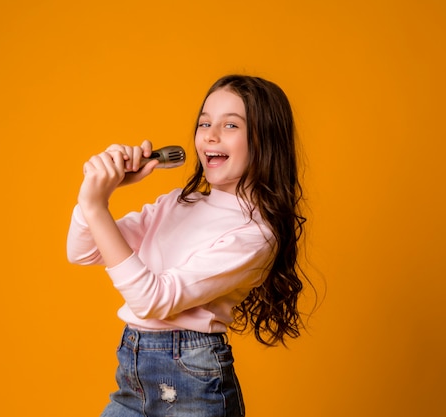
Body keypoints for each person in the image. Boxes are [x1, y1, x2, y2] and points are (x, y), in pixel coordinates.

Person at [67, 74, 311, 417]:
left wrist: (95, 206)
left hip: (193, 386)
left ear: (265, 139)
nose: (210, 134)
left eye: (230, 125)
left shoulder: (255, 234)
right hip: (133, 378)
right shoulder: (179, 203)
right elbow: (84, 250)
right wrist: (98, 192)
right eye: (205, 122)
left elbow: (153, 300)